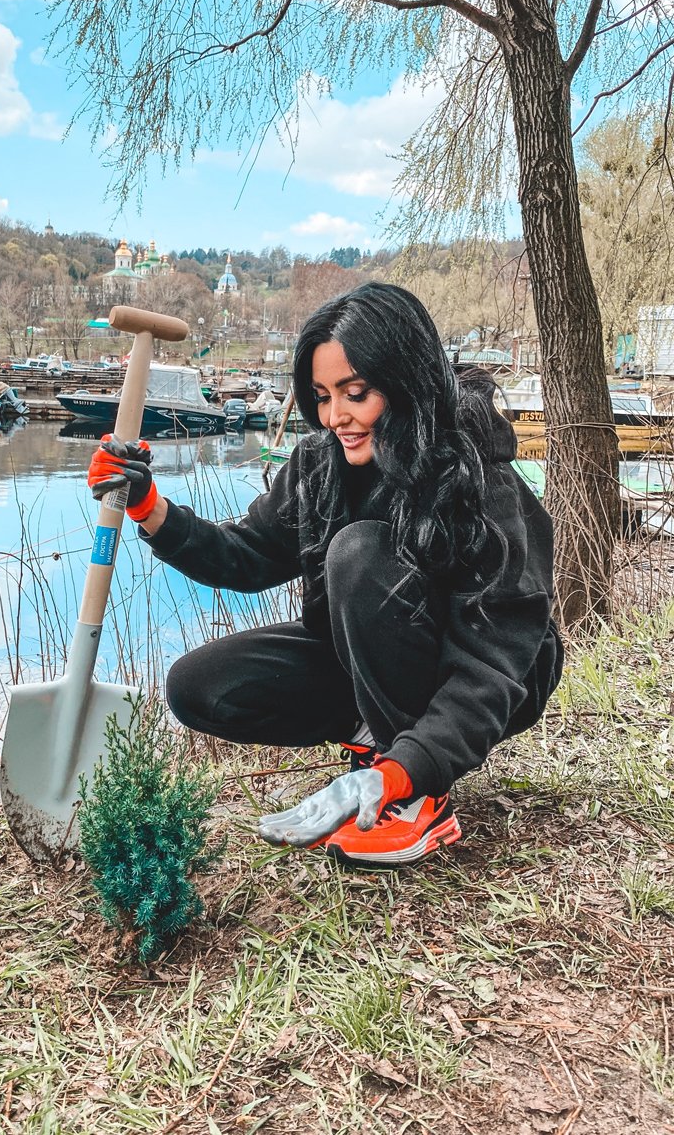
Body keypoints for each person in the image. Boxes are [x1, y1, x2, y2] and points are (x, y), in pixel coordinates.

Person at [87, 283, 561, 868]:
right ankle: (375, 739)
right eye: (321, 396)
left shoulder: (478, 480)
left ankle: (417, 794)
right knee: (199, 686)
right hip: (365, 661)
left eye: (355, 394)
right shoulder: (321, 462)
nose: (336, 417)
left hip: (488, 675)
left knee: (357, 554)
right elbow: (250, 552)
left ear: (405, 382)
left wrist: (401, 773)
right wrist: (150, 507)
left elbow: (493, 664)